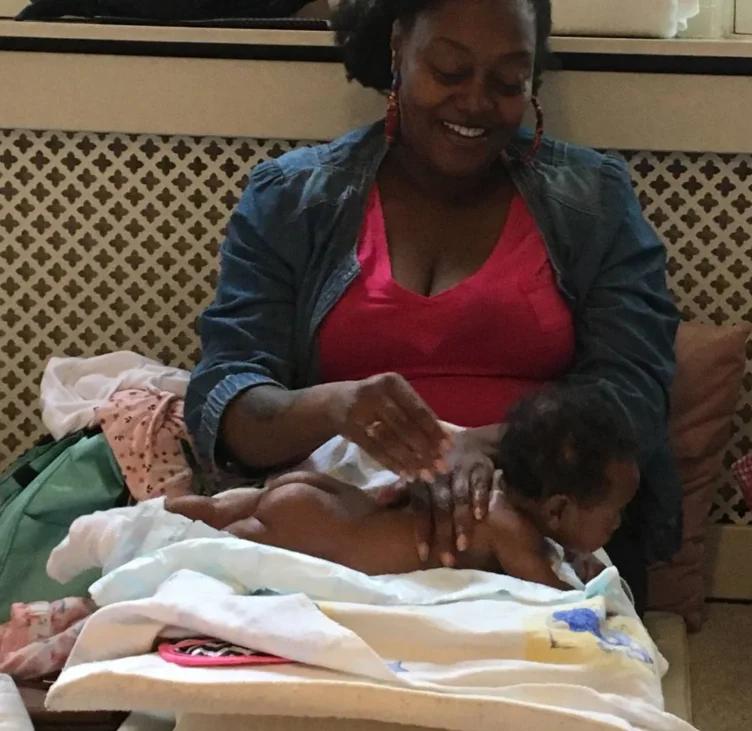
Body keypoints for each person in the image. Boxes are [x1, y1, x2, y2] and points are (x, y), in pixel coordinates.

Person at [183, 0, 681, 612]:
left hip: (536, 535)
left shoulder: (593, 201)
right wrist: (334, 405)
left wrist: (491, 447)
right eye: (448, 70)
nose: (475, 102)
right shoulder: (293, 200)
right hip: (341, 538)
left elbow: (635, 396)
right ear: (398, 48)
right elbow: (226, 396)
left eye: (508, 81)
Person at [169, 386, 639, 589]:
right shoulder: (511, 530)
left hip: (333, 499)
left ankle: (196, 510)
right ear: (556, 509)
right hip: (323, 535)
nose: (620, 522)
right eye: (615, 512)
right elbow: (551, 596)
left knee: (248, 508)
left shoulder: (491, 487)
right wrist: (592, 593)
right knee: (233, 547)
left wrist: (576, 554)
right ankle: (182, 547)